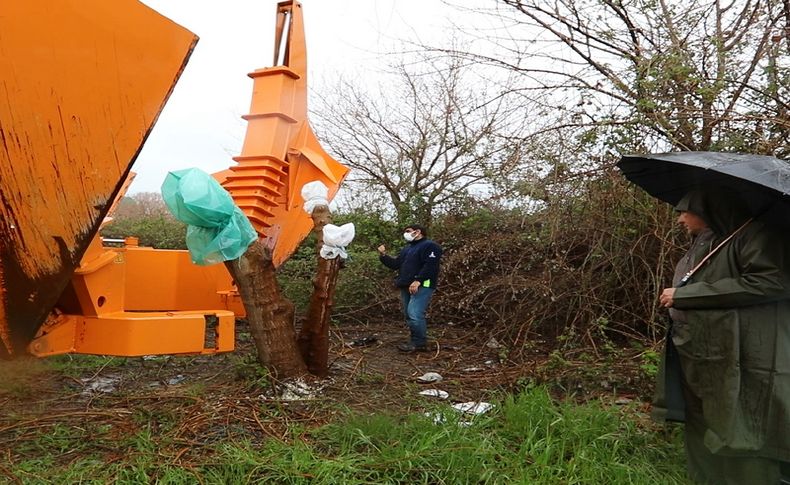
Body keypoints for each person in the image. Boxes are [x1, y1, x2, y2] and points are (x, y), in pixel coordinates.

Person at [654, 187, 790, 484]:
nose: (680, 220)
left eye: (684, 211)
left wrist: (688, 296)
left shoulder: (756, 235)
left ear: (707, 209)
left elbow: (771, 282)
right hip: (704, 353)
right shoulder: (709, 240)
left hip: (748, 354)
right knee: (706, 420)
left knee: (743, 426)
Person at [378, 224, 442, 352]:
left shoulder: (430, 246)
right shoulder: (407, 249)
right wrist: (383, 255)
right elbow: (396, 264)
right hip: (406, 284)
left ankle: (419, 343)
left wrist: (418, 280)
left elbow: (431, 265)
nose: (405, 234)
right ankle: (415, 340)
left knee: (415, 313)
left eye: (408, 231)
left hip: (423, 284)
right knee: (409, 314)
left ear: (418, 232)